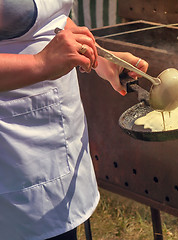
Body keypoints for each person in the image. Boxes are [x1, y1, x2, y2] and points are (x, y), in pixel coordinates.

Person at [0, 0, 148, 239]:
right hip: (10, 150)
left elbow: (50, 17)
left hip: (61, 133)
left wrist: (101, 59)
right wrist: (41, 63)